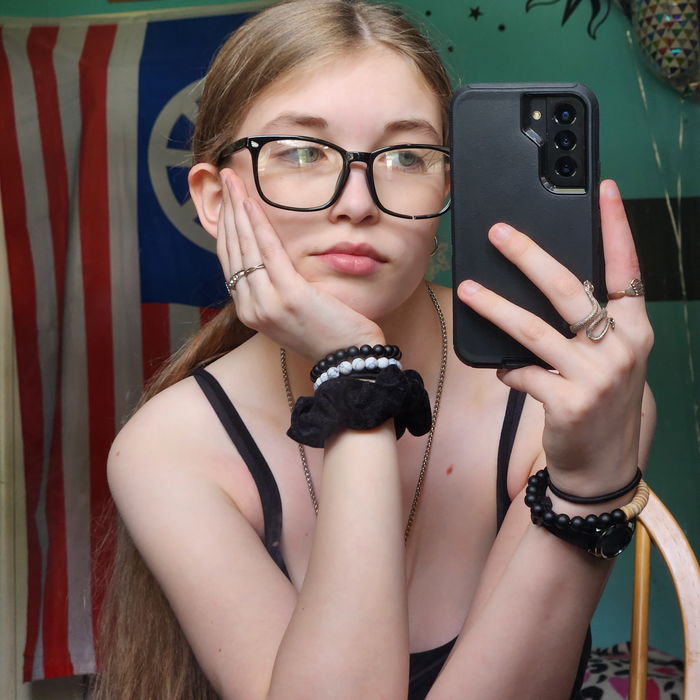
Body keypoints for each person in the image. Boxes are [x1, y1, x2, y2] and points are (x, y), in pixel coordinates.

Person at [94, 1, 656, 699]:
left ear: (448, 185)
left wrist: (587, 484)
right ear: (214, 199)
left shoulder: (570, 395)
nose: (358, 202)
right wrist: (357, 373)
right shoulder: (167, 448)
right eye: (302, 152)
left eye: (406, 156)